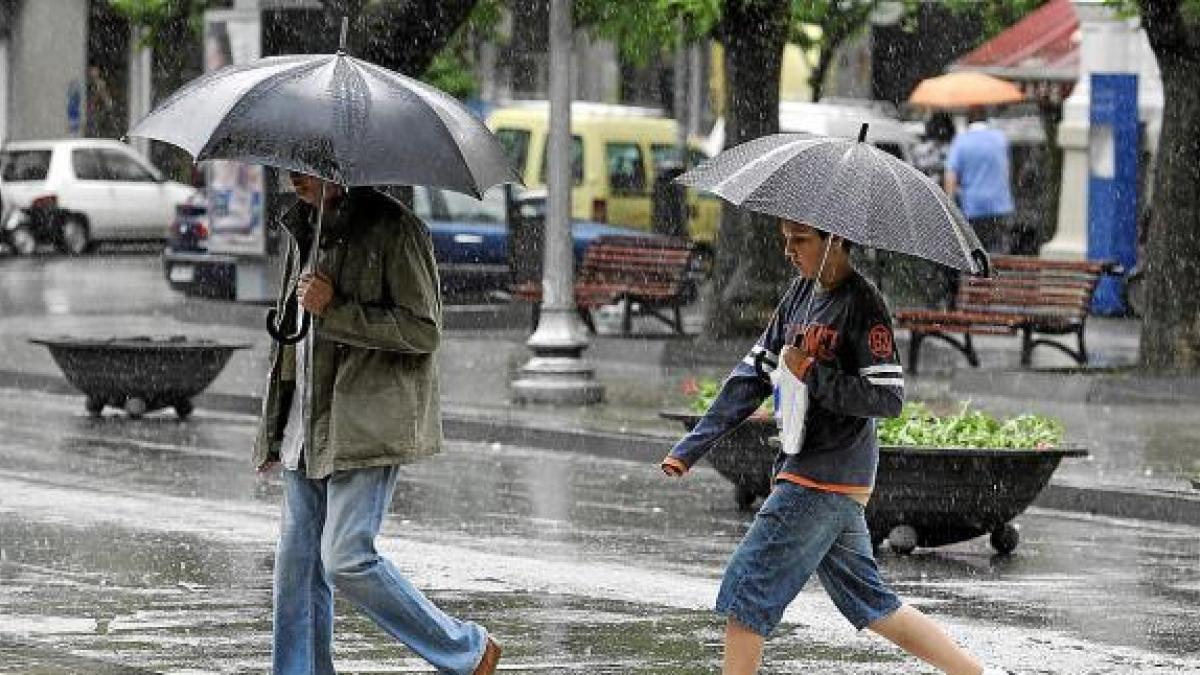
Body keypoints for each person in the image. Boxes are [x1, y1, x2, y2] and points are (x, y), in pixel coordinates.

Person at [660, 219, 1008, 675]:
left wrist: (814, 375)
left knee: (747, 595)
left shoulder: (863, 305)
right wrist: (692, 445)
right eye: (786, 240)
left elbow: (887, 397)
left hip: (821, 478)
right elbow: (752, 375)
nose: (789, 251)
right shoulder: (798, 295)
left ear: (836, 241)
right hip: (818, 475)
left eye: (800, 241)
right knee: (874, 605)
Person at [253, 172, 502, 675]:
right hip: (307, 423)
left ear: (339, 169)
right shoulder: (302, 226)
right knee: (296, 572)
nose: (293, 177)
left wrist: (336, 309)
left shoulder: (397, 230)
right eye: (290, 164)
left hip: (365, 423)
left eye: (307, 165)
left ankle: (467, 650)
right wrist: (275, 426)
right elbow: (293, 341)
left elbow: (424, 331)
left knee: (344, 558)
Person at [943, 107, 1016, 255]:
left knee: (975, 253)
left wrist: (949, 203)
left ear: (968, 121)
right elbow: (1007, 170)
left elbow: (951, 175)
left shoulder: (961, 141)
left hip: (973, 207)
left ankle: (979, 276)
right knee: (998, 251)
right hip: (1000, 205)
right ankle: (996, 275)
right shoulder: (1000, 138)